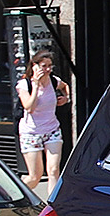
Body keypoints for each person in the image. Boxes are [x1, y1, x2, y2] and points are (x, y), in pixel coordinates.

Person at [16, 51, 70, 200]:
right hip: (31, 133)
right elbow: (29, 107)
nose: (47, 70)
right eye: (44, 66)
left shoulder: (53, 81)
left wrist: (66, 98)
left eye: (49, 66)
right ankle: (14, 195)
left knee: (53, 170)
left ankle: (51, 205)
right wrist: (35, 85)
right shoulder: (24, 84)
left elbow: (65, 86)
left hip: (52, 130)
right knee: (35, 177)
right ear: (34, 66)